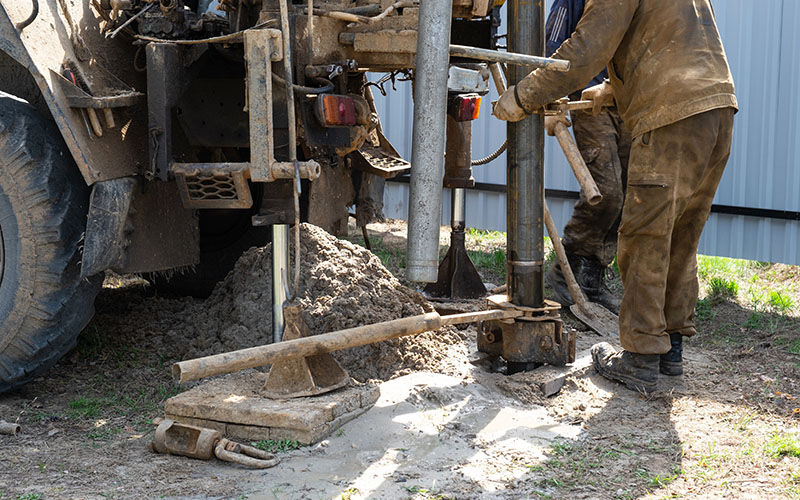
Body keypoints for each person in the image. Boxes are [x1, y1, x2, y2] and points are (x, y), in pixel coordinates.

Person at [494, 0, 737, 393]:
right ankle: (669, 347)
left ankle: (641, 356)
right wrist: (611, 89)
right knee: (679, 234)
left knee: (646, 235)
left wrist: (524, 95)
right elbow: (667, 40)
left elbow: (586, 48)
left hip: (670, 114)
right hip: (716, 108)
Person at [542, 0, 632, 315]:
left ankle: (592, 279)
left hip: (629, 102)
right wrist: (551, 98)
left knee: (629, 193)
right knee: (606, 192)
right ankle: (568, 266)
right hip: (589, 103)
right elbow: (553, 45)